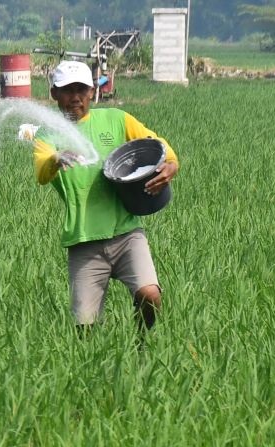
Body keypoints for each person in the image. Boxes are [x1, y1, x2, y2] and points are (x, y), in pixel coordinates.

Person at [33, 60, 178, 334]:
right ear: (54, 94)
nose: (75, 97)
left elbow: (157, 145)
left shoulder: (116, 119)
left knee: (150, 295)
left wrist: (171, 163)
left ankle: (140, 346)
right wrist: (55, 157)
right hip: (84, 241)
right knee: (85, 329)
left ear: (92, 92)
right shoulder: (48, 134)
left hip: (126, 233)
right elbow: (41, 171)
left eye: (82, 89)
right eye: (67, 90)